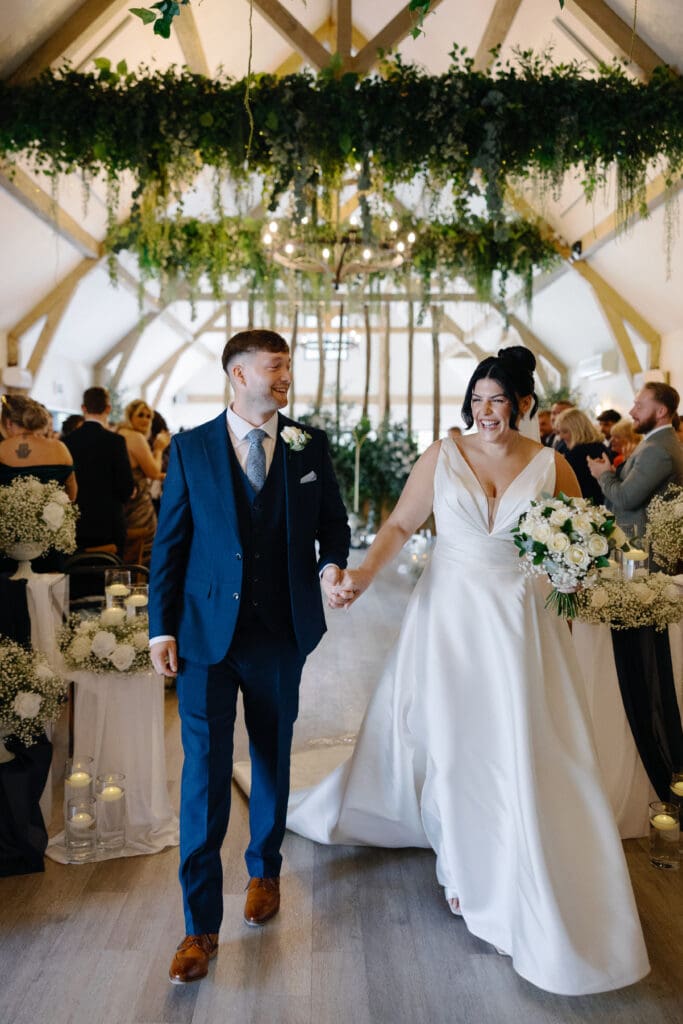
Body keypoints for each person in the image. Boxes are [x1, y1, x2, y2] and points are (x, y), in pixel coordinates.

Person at [287, 346, 649, 996]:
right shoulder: (442, 455)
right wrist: (362, 578)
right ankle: (458, 869)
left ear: (521, 405)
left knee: (507, 746)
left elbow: (585, 532)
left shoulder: (549, 464)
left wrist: (571, 569)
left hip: (518, 624)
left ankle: (510, 852)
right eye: (478, 399)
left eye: (498, 399)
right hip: (447, 619)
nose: (486, 411)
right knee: (451, 744)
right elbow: (399, 524)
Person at [148, 329, 350, 986]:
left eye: (288, 365)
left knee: (270, 753)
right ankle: (198, 926)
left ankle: (264, 870)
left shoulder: (307, 444)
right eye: (275, 366)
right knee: (203, 776)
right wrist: (159, 628)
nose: (285, 375)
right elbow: (170, 546)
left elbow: (334, 528)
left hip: (278, 632)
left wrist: (330, 568)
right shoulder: (189, 448)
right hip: (205, 634)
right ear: (238, 374)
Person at [587, 382, 683, 535]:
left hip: (643, 547)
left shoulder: (657, 449)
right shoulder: (655, 441)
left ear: (661, 412)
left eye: (639, 406)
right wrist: (612, 473)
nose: (631, 412)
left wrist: (603, 475)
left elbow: (625, 499)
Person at [63, 387, 135, 555]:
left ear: (83, 408)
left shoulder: (67, 442)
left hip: (76, 525)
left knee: (77, 578)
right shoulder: (115, 441)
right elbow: (126, 488)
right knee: (111, 578)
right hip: (109, 526)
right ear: (108, 409)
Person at [117, 399, 170, 563]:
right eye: (140, 415)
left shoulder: (119, 434)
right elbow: (154, 472)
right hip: (138, 507)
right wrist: (159, 448)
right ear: (129, 416)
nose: (145, 419)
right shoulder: (135, 438)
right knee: (145, 553)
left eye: (149, 416)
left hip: (123, 506)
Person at [0, 394, 76, 500]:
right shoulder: (60, 448)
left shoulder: (2, 449)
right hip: (51, 516)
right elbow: (71, 494)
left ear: (8, 423)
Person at [553, 407, 606, 502]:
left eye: (565, 432)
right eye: (559, 432)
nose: (561, 436)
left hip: (589, 504)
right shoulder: (598, 446)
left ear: (578, 430)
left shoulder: (582, 452)